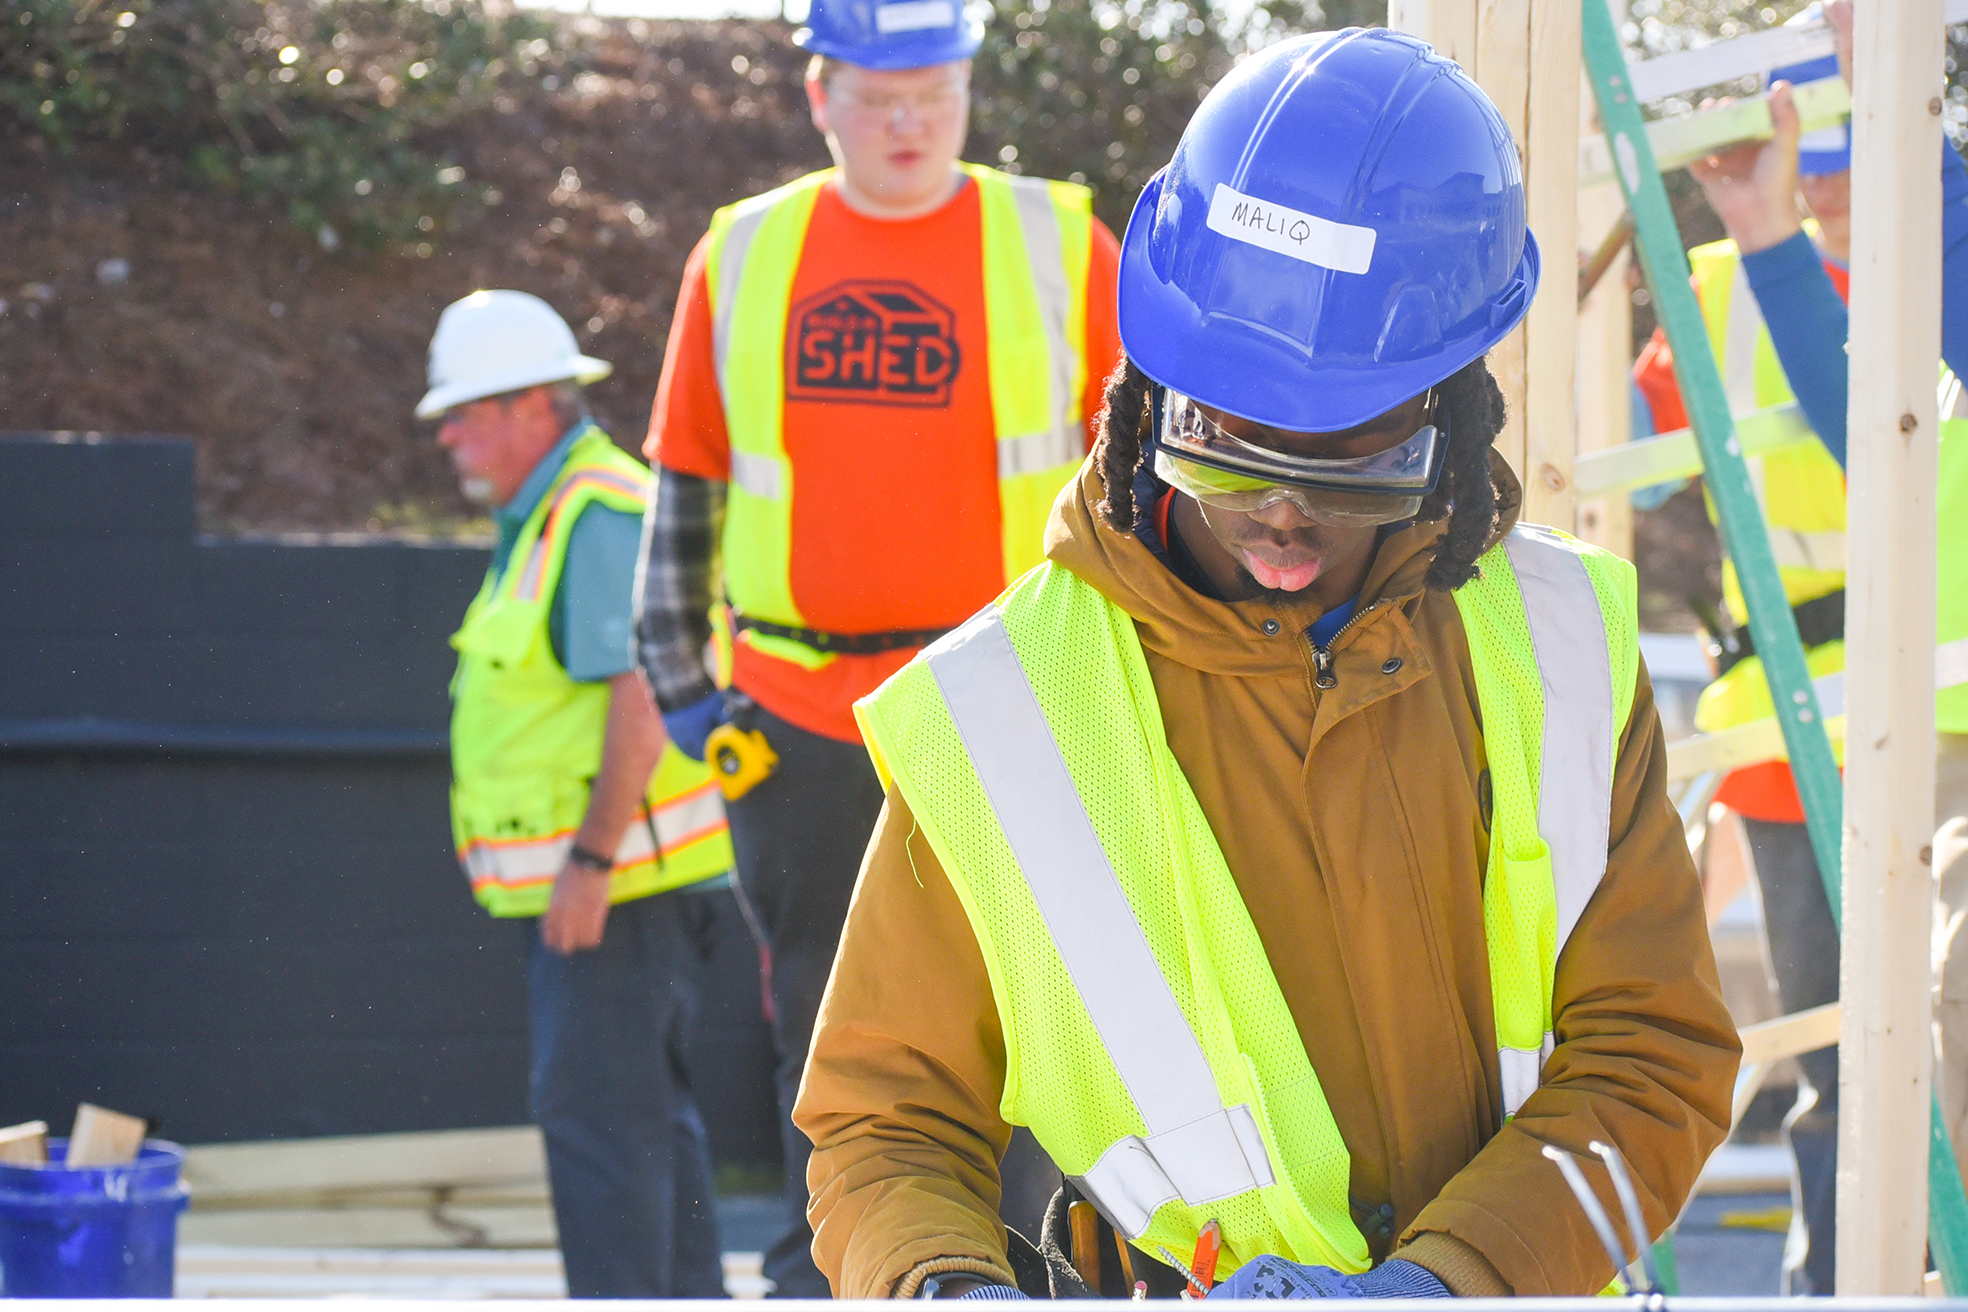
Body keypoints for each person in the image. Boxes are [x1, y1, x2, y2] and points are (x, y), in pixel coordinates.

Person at [795, 29, 1739, 1300]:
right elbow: (886, 1122)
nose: (1284, 521)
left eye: (1350, 464)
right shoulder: (1003, 716)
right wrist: (943, 1284)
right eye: (1232, 452)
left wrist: (1447, 1281)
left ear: (1451, 409)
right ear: (1152, 393)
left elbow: (1657, 1055)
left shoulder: (1561, 652)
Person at [632, 0, 1122, 1293]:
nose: (908, 120)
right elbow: (685, 484)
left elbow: (1145, 488)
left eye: (933, 91)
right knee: (827, 1027)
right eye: (878, 93)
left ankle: (1010, 1271)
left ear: (966, 87)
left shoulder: (1061, 246)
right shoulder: (741, 257)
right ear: (819, 96)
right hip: (799, 719)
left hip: (1013, 712)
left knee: (1026, 1028)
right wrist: (686, 690)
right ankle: (835, 1272)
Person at [1630, 1, 1968, 1291]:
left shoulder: (1937, 261)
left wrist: (1906, 132)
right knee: (1870, 1063)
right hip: (1834, 727)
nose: (1831, 176)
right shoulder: (1823, 302)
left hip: (1891, 715)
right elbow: (1866, 423)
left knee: (1906, 1049)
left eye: (1850, 141)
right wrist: (1770, 234)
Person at [422, 289, 735, 1299]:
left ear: (532, 406)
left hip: (619, 885)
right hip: (623, 884)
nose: (449, 436)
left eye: (463, 412)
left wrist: (592, 862)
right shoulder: (560, 512)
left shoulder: (594, 513)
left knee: (601, 1132)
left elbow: (640, 694)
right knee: (641, 1124)